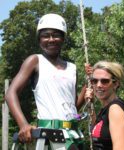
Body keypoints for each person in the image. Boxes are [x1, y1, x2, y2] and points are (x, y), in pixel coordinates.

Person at [5, 13, 86, 149]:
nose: (51, 39)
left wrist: (87, 89)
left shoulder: (72, 68)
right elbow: (11, 93)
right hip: (50, 136)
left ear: (63, 39)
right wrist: (23, 124)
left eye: (56, 35)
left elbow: (72, 110)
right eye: (45, 35)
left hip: (73, 134)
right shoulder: (35, 61)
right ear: (39, 39)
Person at [84, 61, 124, 150]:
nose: (98, 85)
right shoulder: (106, 109)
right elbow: (98, 129)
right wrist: (90, 104)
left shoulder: (115, 109)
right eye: (94, 81)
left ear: (116, 84)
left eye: (105, 81)